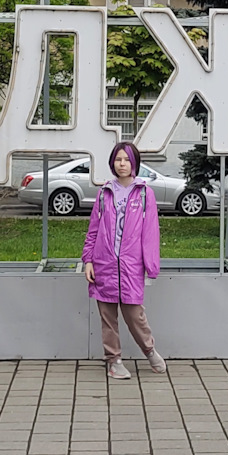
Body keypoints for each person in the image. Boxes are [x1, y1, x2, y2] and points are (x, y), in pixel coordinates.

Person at [80, 141, 165, 379]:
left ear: (134, 162)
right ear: (112, 163)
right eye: (118, 159)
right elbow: (93, 229)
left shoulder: (145, 193)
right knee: (108, 317)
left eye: (126, 159)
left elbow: (150, 232)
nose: (122, 164)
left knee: (135, 315)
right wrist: (88, 260)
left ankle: (149, 350)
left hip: (131, 266)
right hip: (103, 265)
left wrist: (151, 265)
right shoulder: (105, 192)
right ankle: (114, 361)